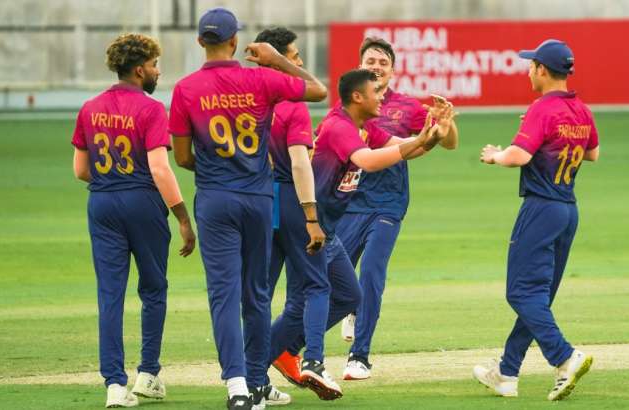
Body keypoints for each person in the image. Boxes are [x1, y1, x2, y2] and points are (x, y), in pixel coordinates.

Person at [168, 8, 327, 410]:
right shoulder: (261, 77)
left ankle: (237, 385)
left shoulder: (186, 88)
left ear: (200, 42)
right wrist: (277, 60)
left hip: (215, 198)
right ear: (236, 41)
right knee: (256, 293)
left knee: (223, 293)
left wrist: (214, 166)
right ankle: (257, 380)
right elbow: (318, 90)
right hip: (258, 198)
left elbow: (183, 156)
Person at [71, 33, 196, 408]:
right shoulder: (152, 108)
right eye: (156, 65)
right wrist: (183, 218)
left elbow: (80, 170)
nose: (159, 71)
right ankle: (148, 375)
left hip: (102, 203)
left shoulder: (90, 107)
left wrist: (112, 184)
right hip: (143, 202)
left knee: (110, 294)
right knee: (153, 288)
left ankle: (113, 385)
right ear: (140, 69)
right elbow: (160, 168)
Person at [473, 39, 599, 401]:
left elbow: (518, 157)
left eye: (531, 65)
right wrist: (546, 134)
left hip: (541, 208)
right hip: (567, 210)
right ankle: (507, 373)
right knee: (537, 297)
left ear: (542, 70)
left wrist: (496, 155)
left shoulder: (542, 109)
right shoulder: (581, 109)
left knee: (521, 292)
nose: (528, 70)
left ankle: (564, 356)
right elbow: (592, 153)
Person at [336, 37, 459, 380]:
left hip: (388, 203)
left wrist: (444, 122)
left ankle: (359, 356)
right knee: (334, 275)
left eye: (382, 62)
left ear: (392, 70)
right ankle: (352, 309)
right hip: (349, 202)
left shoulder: (407, 106)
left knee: (372, 274)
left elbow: (447, 143)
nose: (376, 67)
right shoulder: (350, 103)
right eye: (370, 61)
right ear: (359, 65)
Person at [252, 26, 325, 406]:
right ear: (277, 59)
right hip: (288, 197)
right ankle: (314, 359)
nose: (299, 63)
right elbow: (299, 162)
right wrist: (311, 215)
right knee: (317, 285)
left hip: (257, 200)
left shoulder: (250, 100)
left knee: (259, 293)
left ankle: (250, 379)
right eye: (294, 57)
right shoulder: (293, 104)